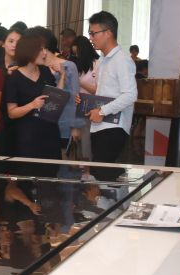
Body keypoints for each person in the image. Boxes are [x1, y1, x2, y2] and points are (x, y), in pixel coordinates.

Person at [85, 11, 136, 171]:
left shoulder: (122, 60)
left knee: (104, 173)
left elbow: (130, 95)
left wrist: (102, 111)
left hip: (114, 127)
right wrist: (84, 101)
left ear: (108, 33)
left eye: (93, 33)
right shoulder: (102, 60)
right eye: (90, 33)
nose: (91, 38)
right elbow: (104, 92)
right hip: (100, 125)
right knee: (99, 173)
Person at [4, 30, 61, 161]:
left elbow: (56, 98)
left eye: (45, 49)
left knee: (52, 170)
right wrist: (32, 105)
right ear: (29, 51)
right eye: (41, 49)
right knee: (30, 170)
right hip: (28, 136)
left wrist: (62, 76)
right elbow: (11, 113)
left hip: (50, 131)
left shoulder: (45, 71)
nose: (45, 53)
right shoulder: (14, 77)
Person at [43, 31, 82, 154]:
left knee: (64, 160)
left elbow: (76, 96)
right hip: (44, 124)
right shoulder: (37, 67)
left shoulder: (69, 66)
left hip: (65, 122)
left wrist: (75, 126)